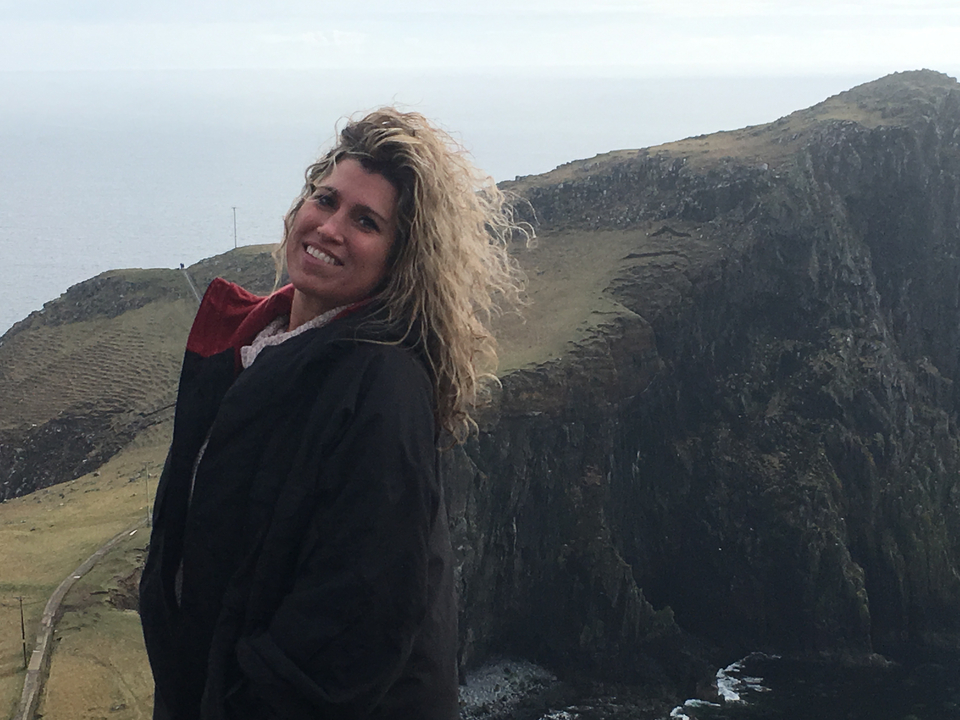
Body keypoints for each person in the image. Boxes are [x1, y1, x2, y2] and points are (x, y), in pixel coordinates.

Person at [139, 108, 527, 719]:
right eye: (326, 199)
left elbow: (355, 620)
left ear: (401, 260)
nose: (330, 227)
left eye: (366, 221)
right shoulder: (255, 346)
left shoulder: (382, 387)